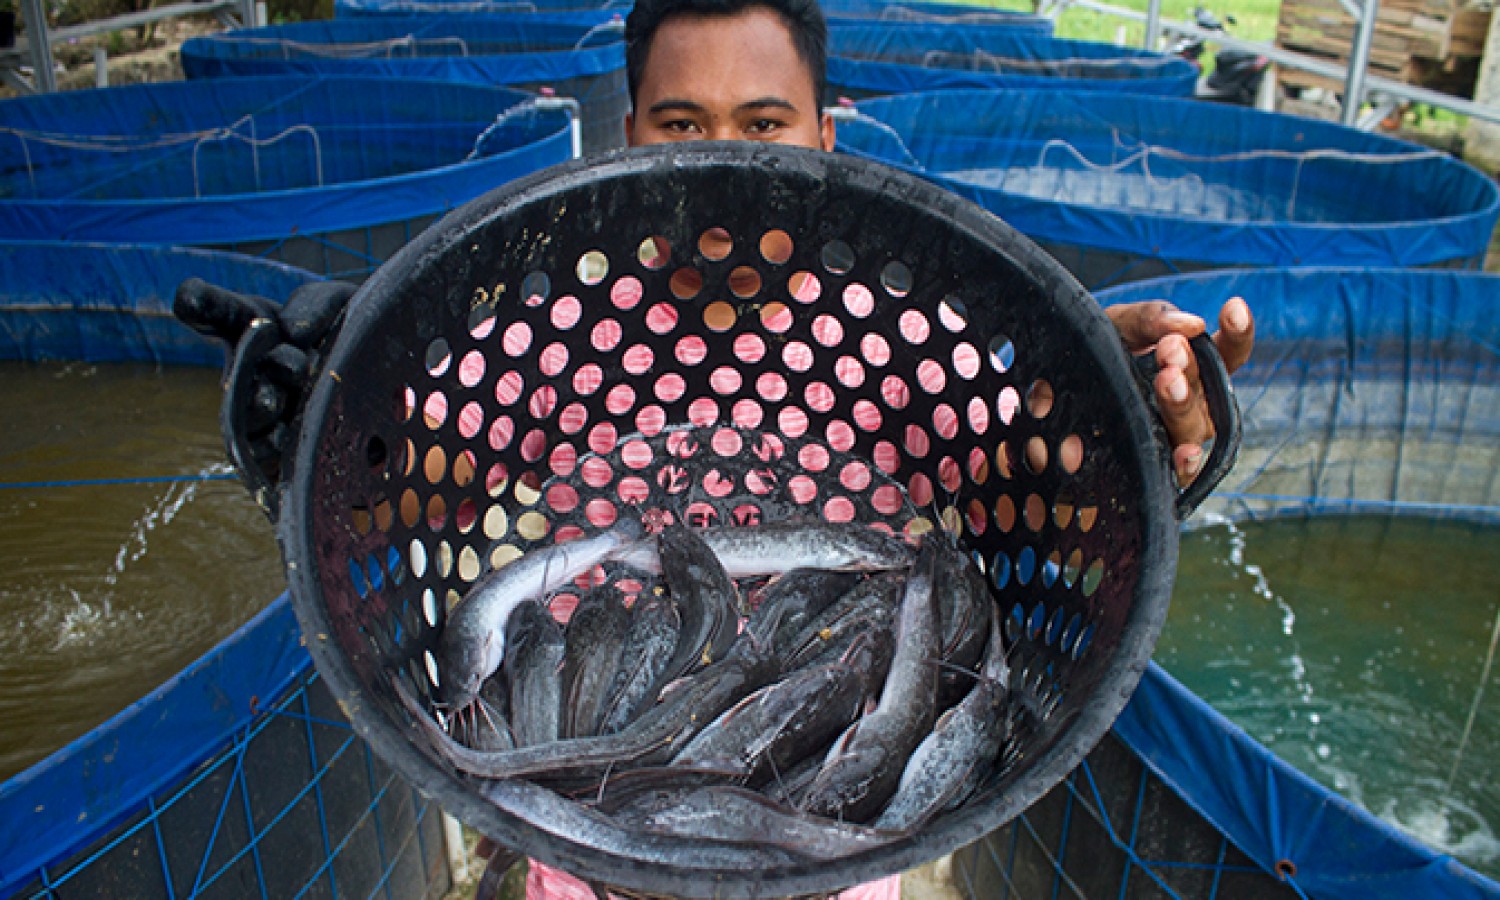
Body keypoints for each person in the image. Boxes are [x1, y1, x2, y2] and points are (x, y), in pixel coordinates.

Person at [619, 0, 1254, 486]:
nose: (726, 167)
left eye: (763, 124)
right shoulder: (562, 336)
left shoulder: (909, 344)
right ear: (627, 142)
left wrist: (1093, 399)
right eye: (681, 124)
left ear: (824, 141)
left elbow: (1022, 485)